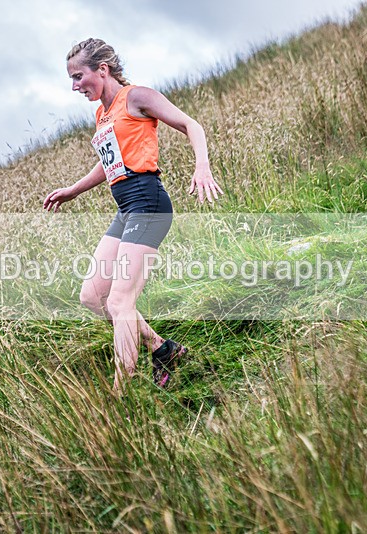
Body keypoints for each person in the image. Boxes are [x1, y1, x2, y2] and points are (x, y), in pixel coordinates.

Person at [43, 38, 222, 392]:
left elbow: (192, 126)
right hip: (126, 208)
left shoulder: (137, 97)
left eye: (79, 77)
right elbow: (111, 162)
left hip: (149, 203)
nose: (75, 86)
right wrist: (72, 190)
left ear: (102, 70)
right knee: (93, 297)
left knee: (121, 300)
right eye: (72, 79)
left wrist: (202, 167)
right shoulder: (101, 113)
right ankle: (162, 349)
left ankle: (120, 394)